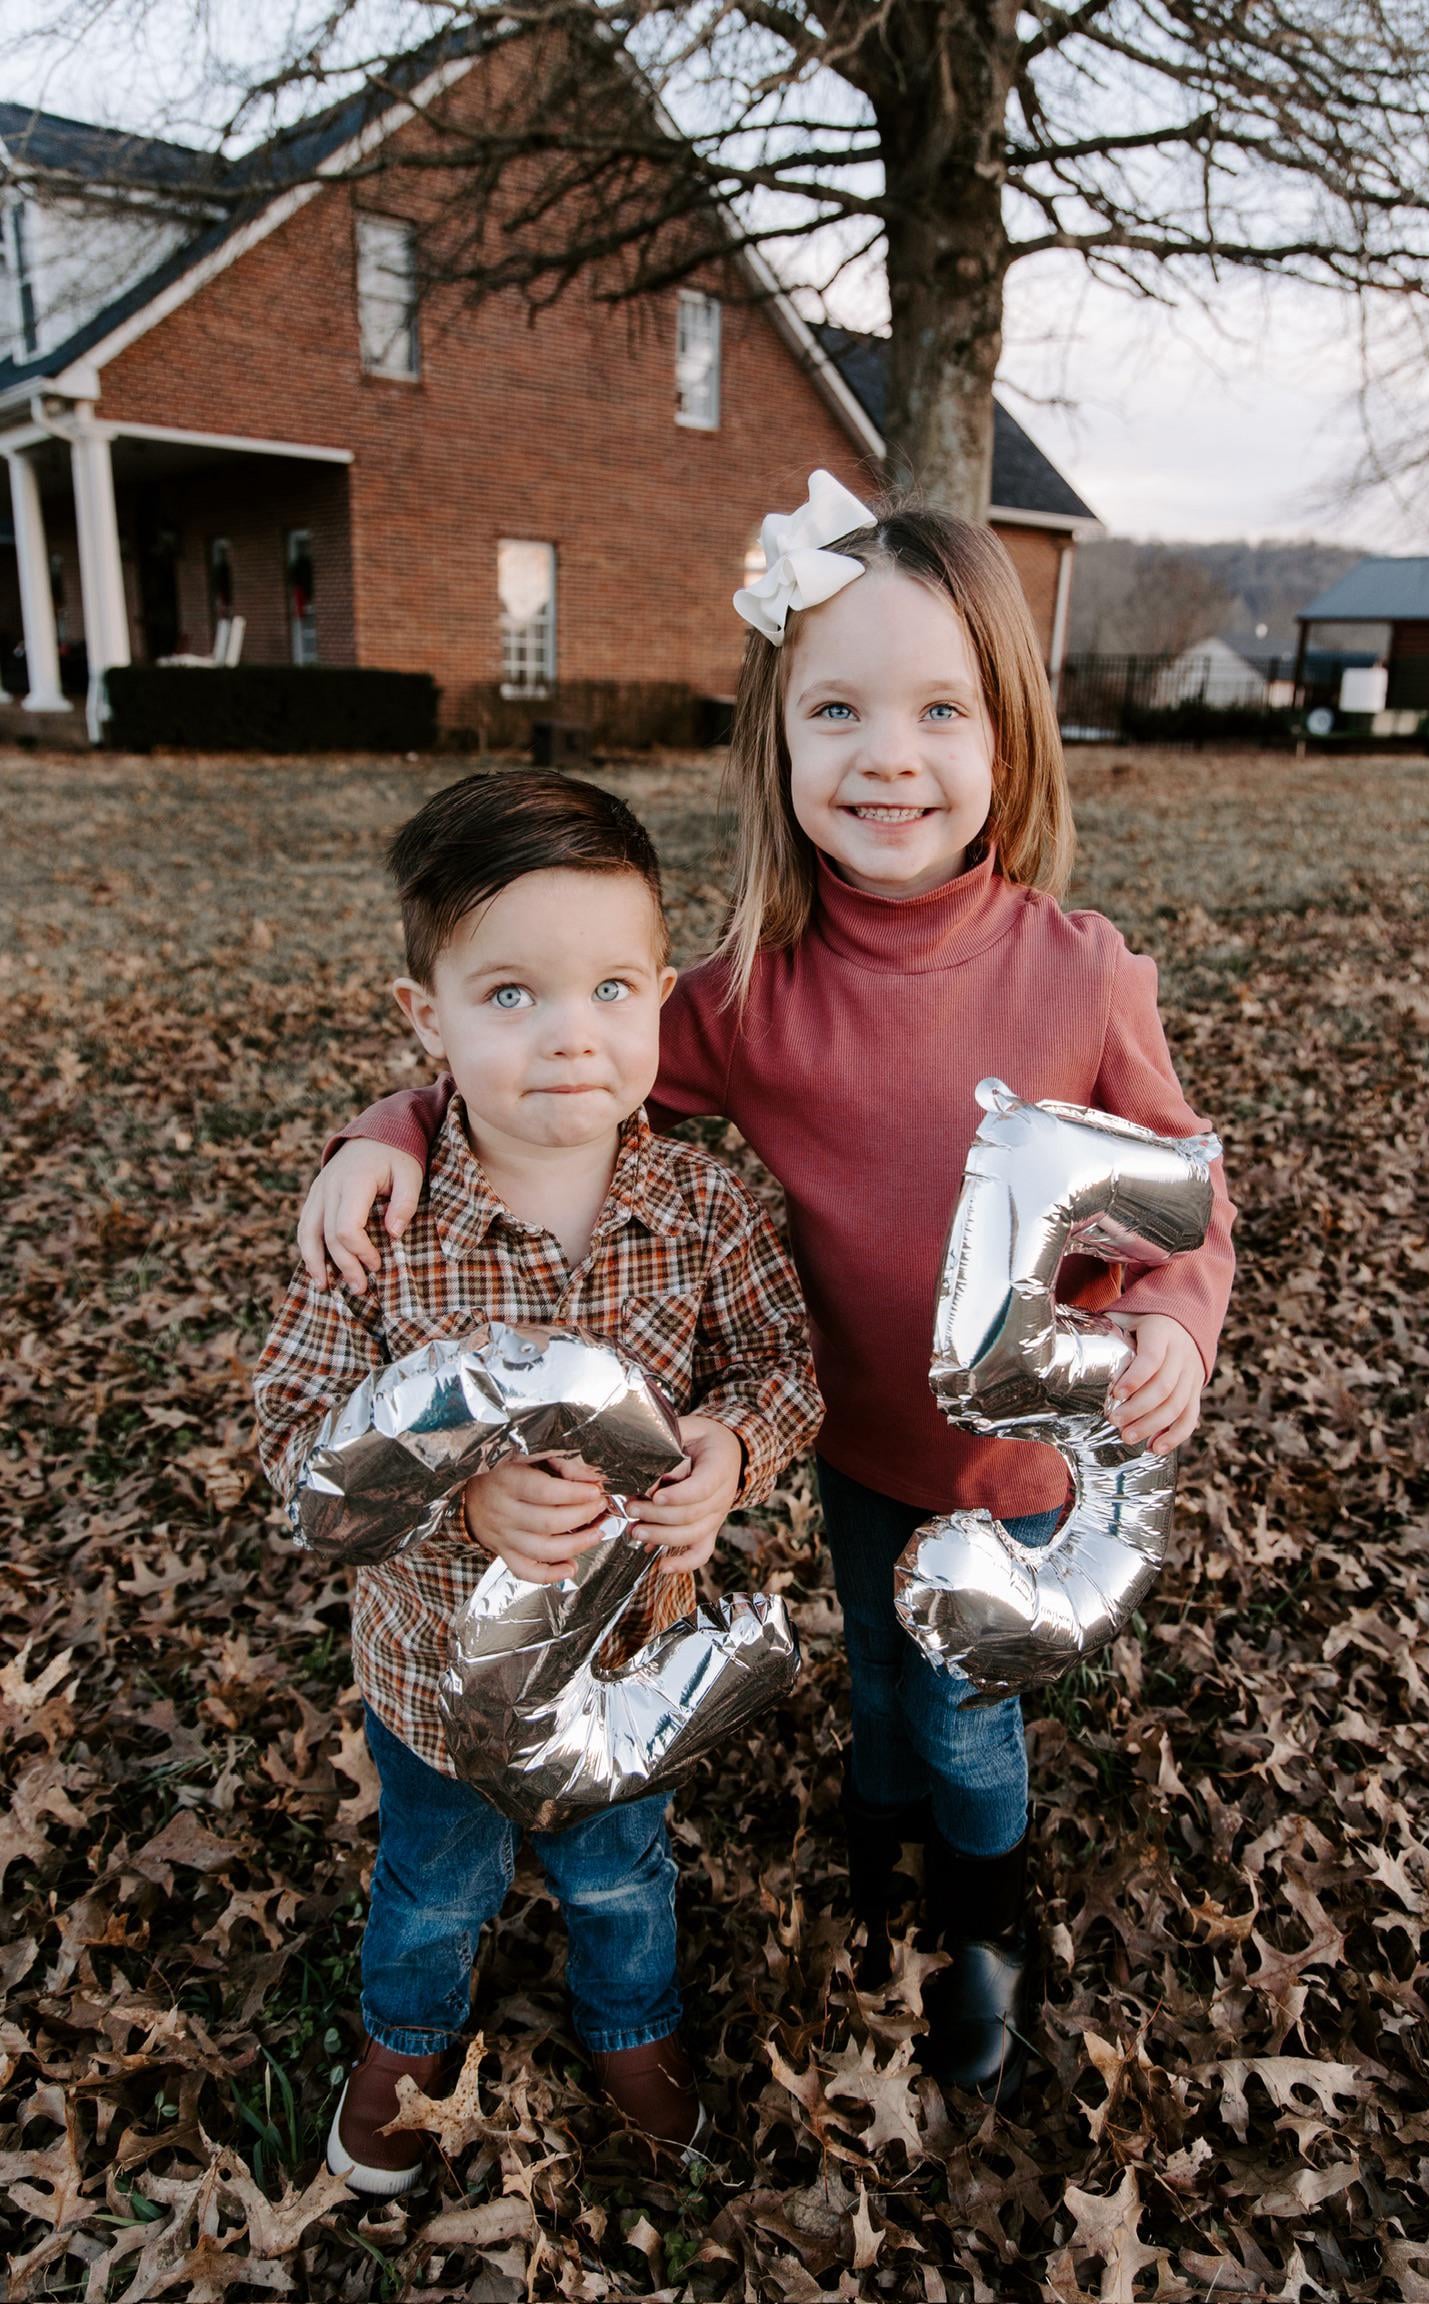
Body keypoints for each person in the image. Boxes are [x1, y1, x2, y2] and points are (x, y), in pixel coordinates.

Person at [293, 473, 1236, 2112]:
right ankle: (877, 1849)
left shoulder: (1081, 971)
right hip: (850, 1440)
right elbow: (562, 1073)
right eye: (837, 710)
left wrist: (1173, 1316)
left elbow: (1183, 1188)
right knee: (877, 1674)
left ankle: (984, 1923)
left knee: (964, 1711)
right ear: (778, 744)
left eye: (940, 709)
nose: (889, 756)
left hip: (1018, 1457)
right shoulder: (748, 993)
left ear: (1009, 738)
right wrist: (390, 1125)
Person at [254, 770, 819, 2194]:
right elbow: (293, 1434)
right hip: (434, 1677)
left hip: (622, 1675)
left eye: (612, 990)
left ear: (663, 999)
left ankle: (633, 2031)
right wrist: (456, 1497)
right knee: (433, 1885)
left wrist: (730, 1450)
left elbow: (785, 1367)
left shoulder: (704, 1207)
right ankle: (404, 2040)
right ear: (425, 1017)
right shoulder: (381, 1227)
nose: (572, 1034)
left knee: (621, 1875)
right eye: (510, 994)